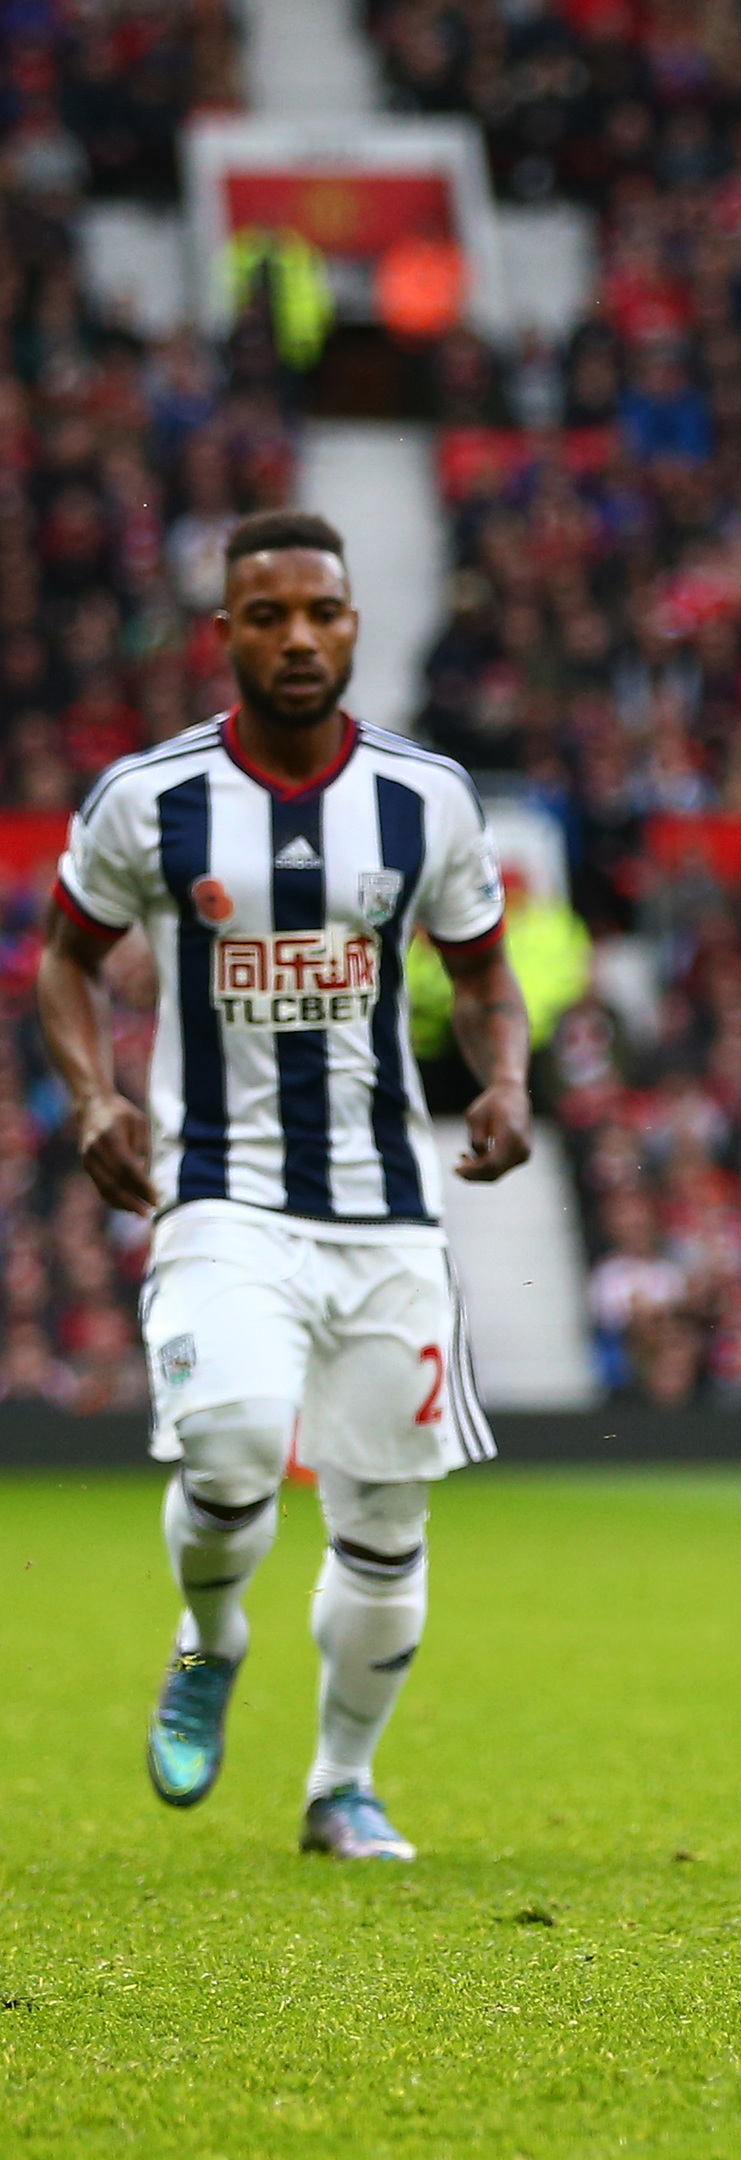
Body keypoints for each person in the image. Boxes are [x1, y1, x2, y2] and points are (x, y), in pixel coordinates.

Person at [36, 511, 534, 1861]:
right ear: (227, 636)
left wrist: (504, 1083)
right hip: (220, 1193)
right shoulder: (151, 797)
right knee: (237, 1443)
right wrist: (95, 1097)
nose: (300, 637)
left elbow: (487, 972)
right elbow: (64, 959)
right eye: (269, 616)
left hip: (388, 1208)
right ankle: (208, 1640)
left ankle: (341, 1784)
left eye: (322, 611)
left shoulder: (426, 797)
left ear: (355, 624)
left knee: (383, 1520)